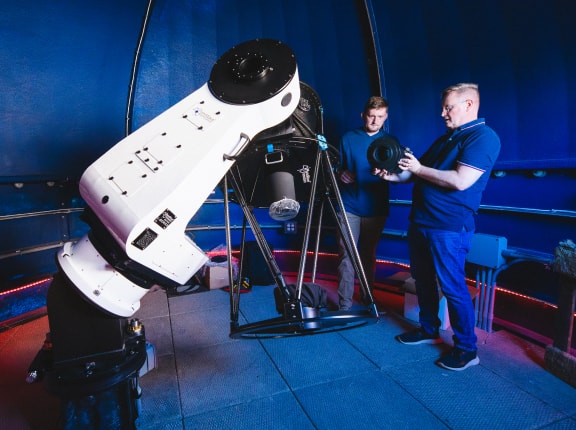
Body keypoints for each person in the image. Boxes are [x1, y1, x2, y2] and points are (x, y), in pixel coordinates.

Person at [374, 83, 500, 371]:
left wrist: (418, 169)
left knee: (453, 286)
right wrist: (393, 177)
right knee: (423, 280)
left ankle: (467, 350)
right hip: (421, 221)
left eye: (448, 107)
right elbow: (415, 175)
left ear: (469, 105)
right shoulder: (447, 138)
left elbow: (460, 180)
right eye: (443, 107)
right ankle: (428, 328)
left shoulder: (483, 137)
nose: (443, 113)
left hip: (449, 227)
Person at [337, 96, 390, 311]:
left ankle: (368, 298)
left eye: (380, 117)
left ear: (385, 117)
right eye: (371, 116)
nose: (375, 121)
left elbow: (398, 172)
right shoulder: (348, 138)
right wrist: (341, 173)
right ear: (363, 116)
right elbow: (335, 167)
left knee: (368, 255)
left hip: (376, 208)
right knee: (347, 254)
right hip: (349, 205)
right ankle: (344, 304)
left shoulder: (390, 142)